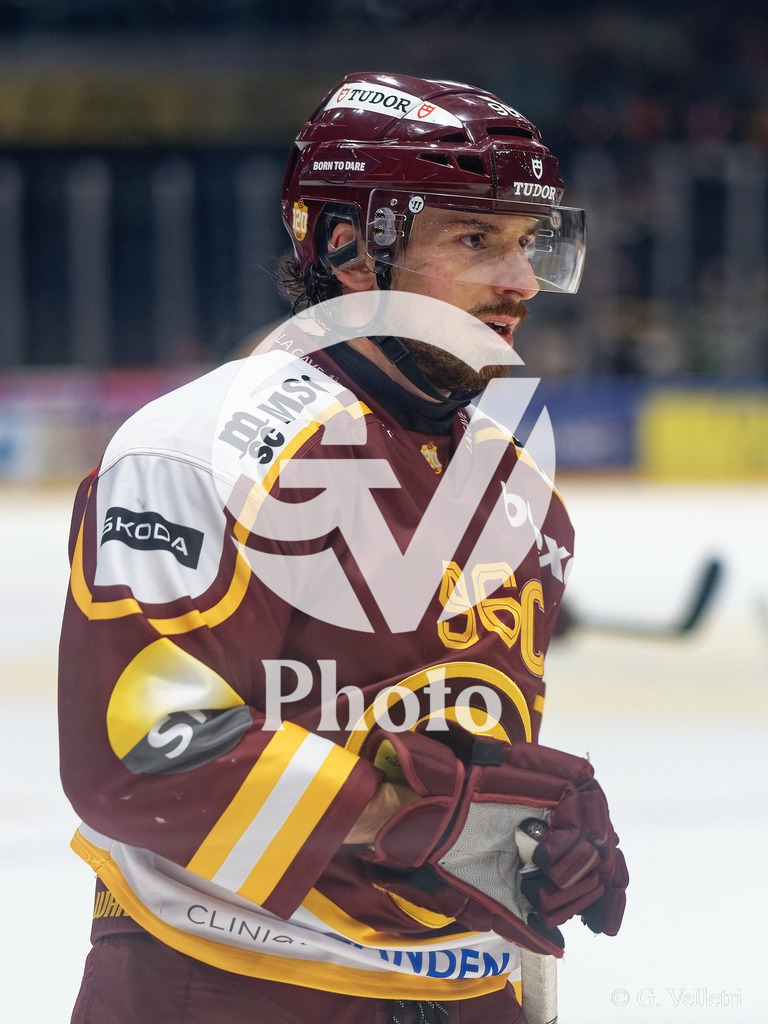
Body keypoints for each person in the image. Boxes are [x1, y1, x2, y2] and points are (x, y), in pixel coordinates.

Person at [58, 72, 628, 1024]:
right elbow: (140, 748)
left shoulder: (516, 489)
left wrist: (516, 897)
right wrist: (433, 817)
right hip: (226, 989)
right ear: (347, 245)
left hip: (463, 995)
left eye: (529, 244)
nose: (522, 282)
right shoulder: (204, 447)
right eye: (475, 239)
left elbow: (464, 752)